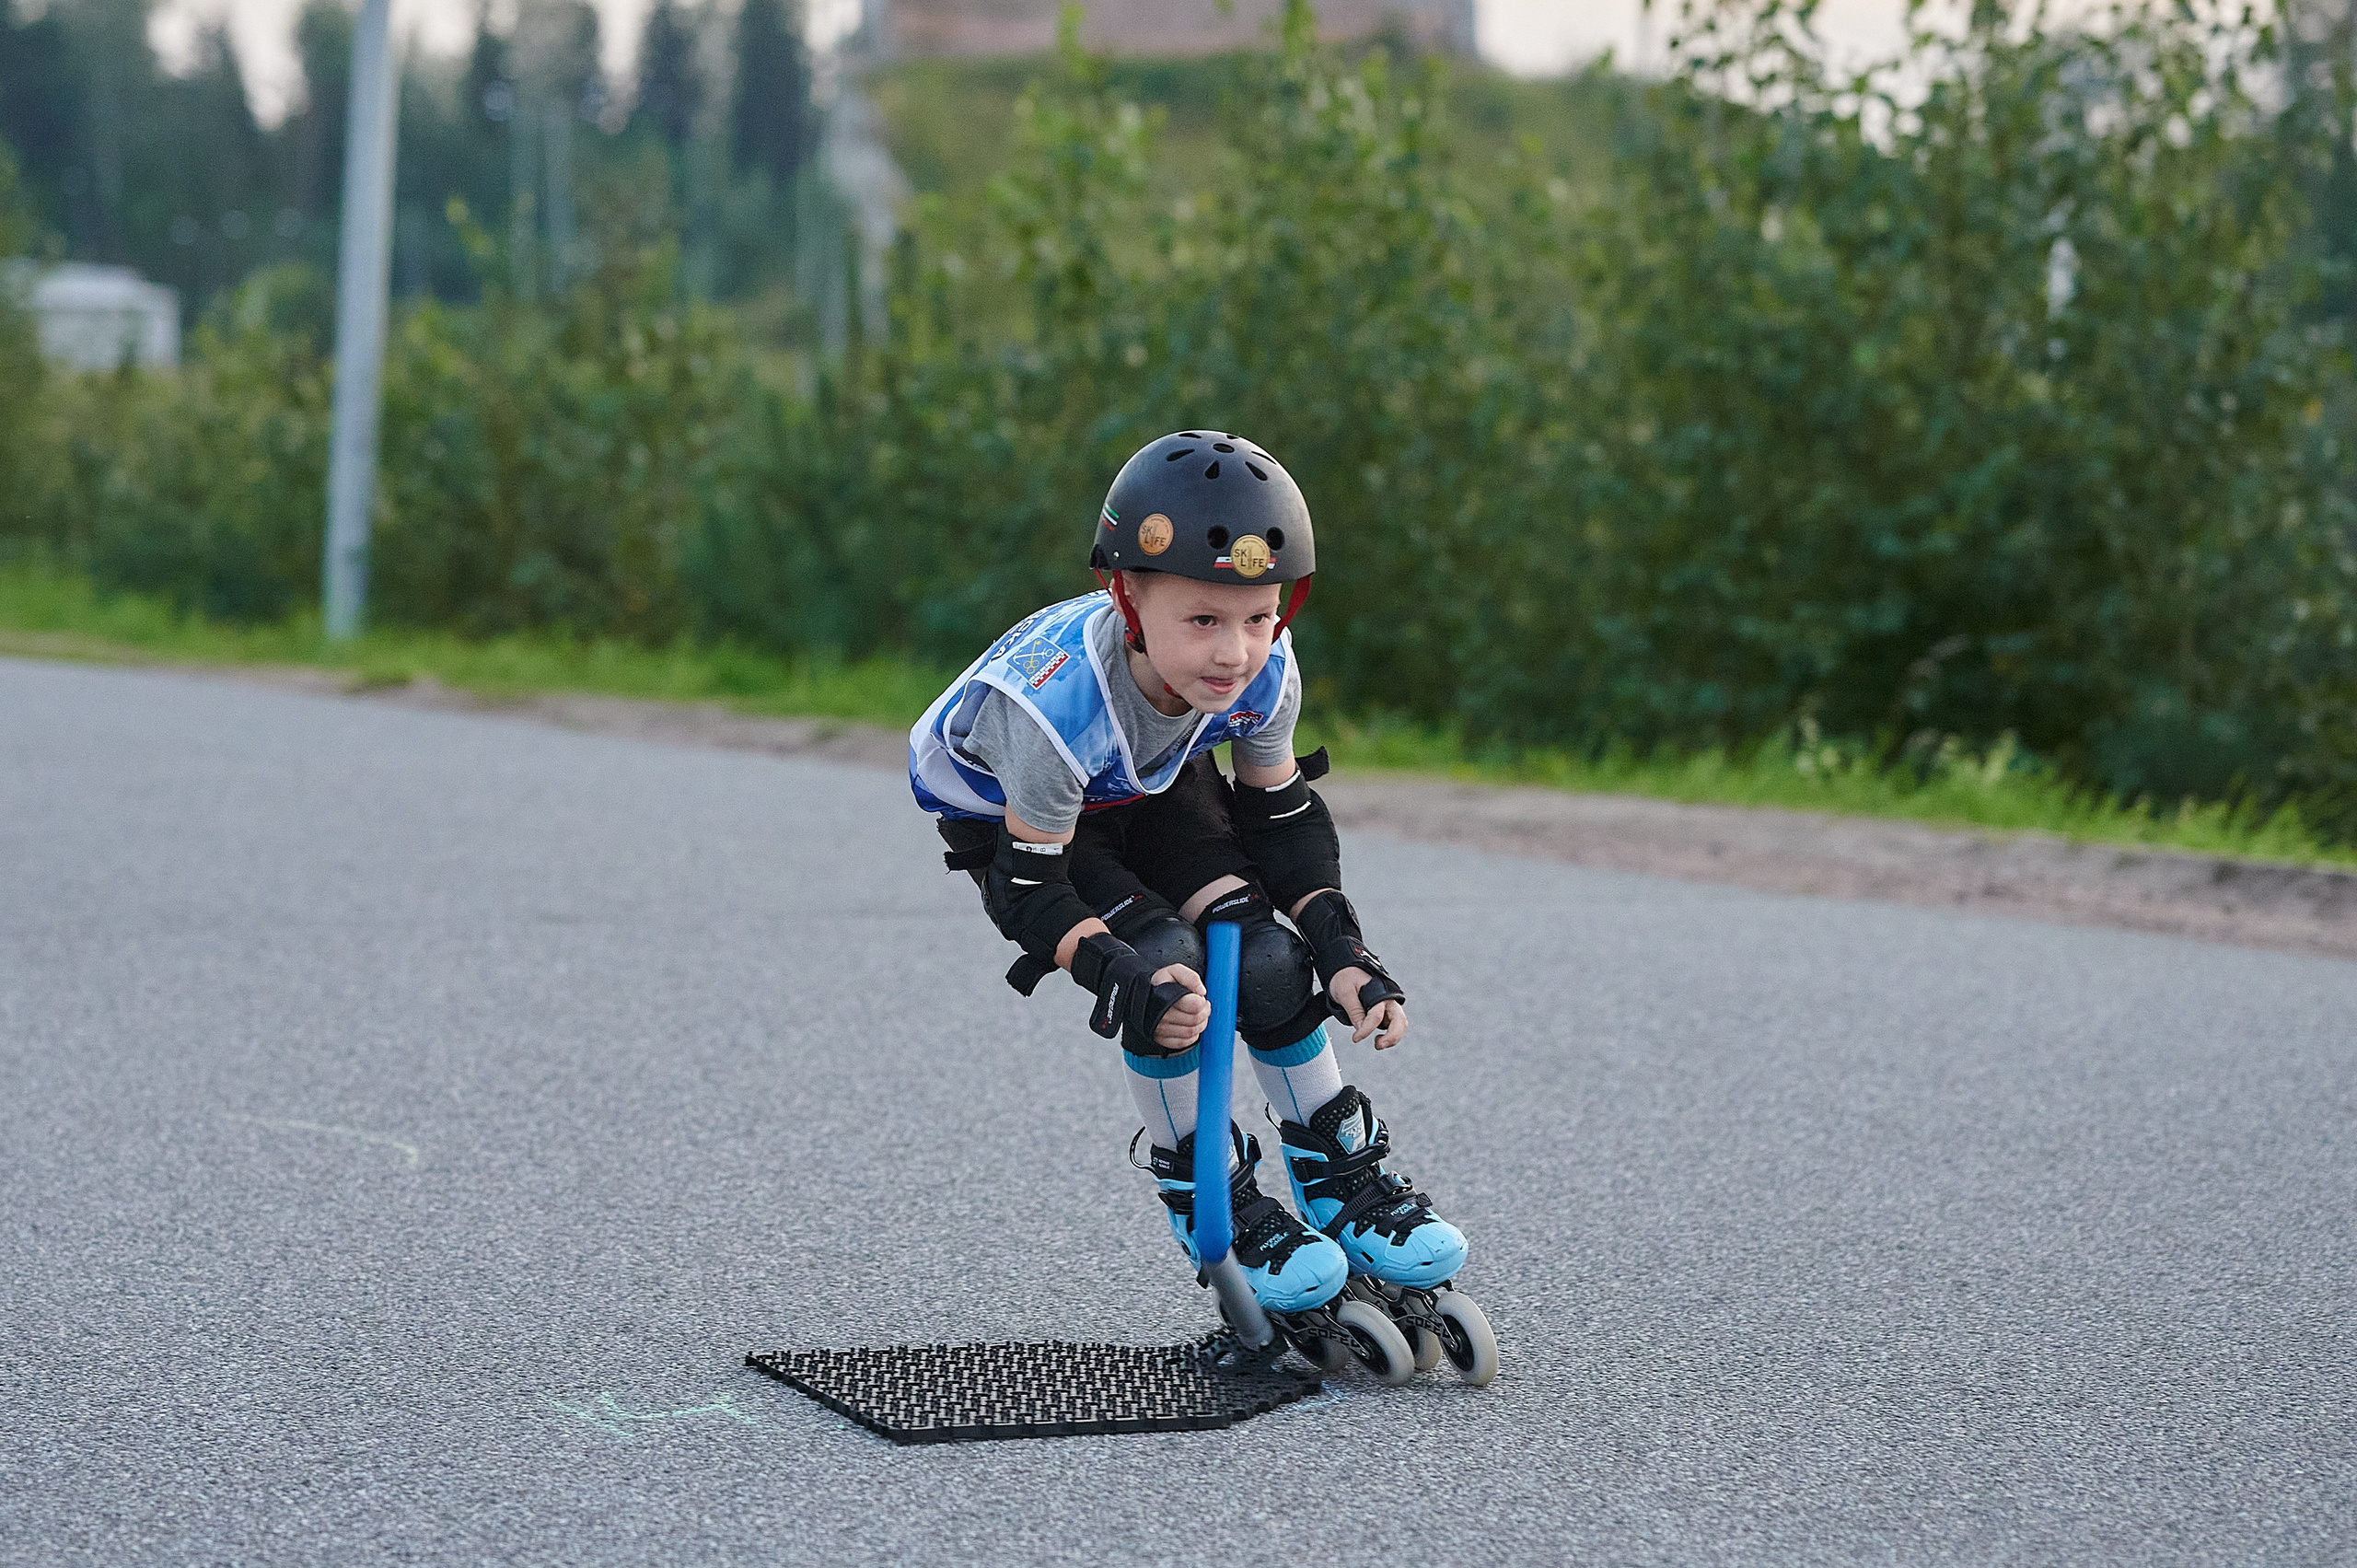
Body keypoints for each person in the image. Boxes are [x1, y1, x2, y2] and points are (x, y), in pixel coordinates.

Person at [908, 430, 1469, 1325]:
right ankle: (1207, 1191)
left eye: (1258, 616)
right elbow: (1027, 892)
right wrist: (1113, 971)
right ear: (1124, 598)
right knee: (1168, 969)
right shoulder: (1051, 713)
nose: (1235, 651)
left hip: (1150, 773)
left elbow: (1281, 826)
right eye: (1202, 619)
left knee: (1270, 962)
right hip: (1025, 815)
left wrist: (1345, 949)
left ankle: (1340, 1176)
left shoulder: (1260, 671)